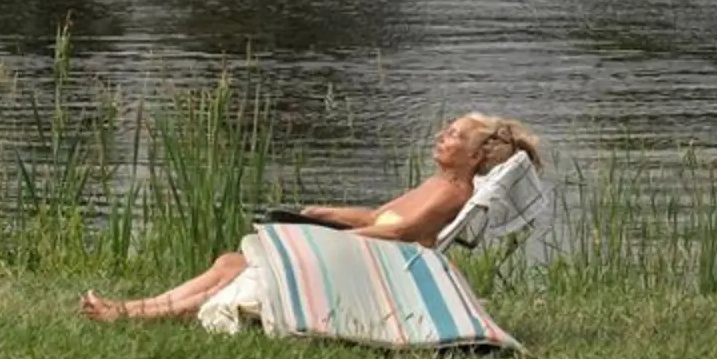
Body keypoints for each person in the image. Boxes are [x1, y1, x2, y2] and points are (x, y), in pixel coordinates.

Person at [80, 112, 541, 322]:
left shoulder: (452, 191)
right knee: (228, 262)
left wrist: (331, 239)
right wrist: (332, 214)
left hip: (371, 264)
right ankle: (136, 307)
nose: (442, 137)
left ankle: (131, 315)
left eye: (454, 135)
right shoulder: (435, 183)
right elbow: (385, 215)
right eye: (446, 130)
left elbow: (401, 232)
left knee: (239, 272)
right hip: (362, 251)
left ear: (477, 154)